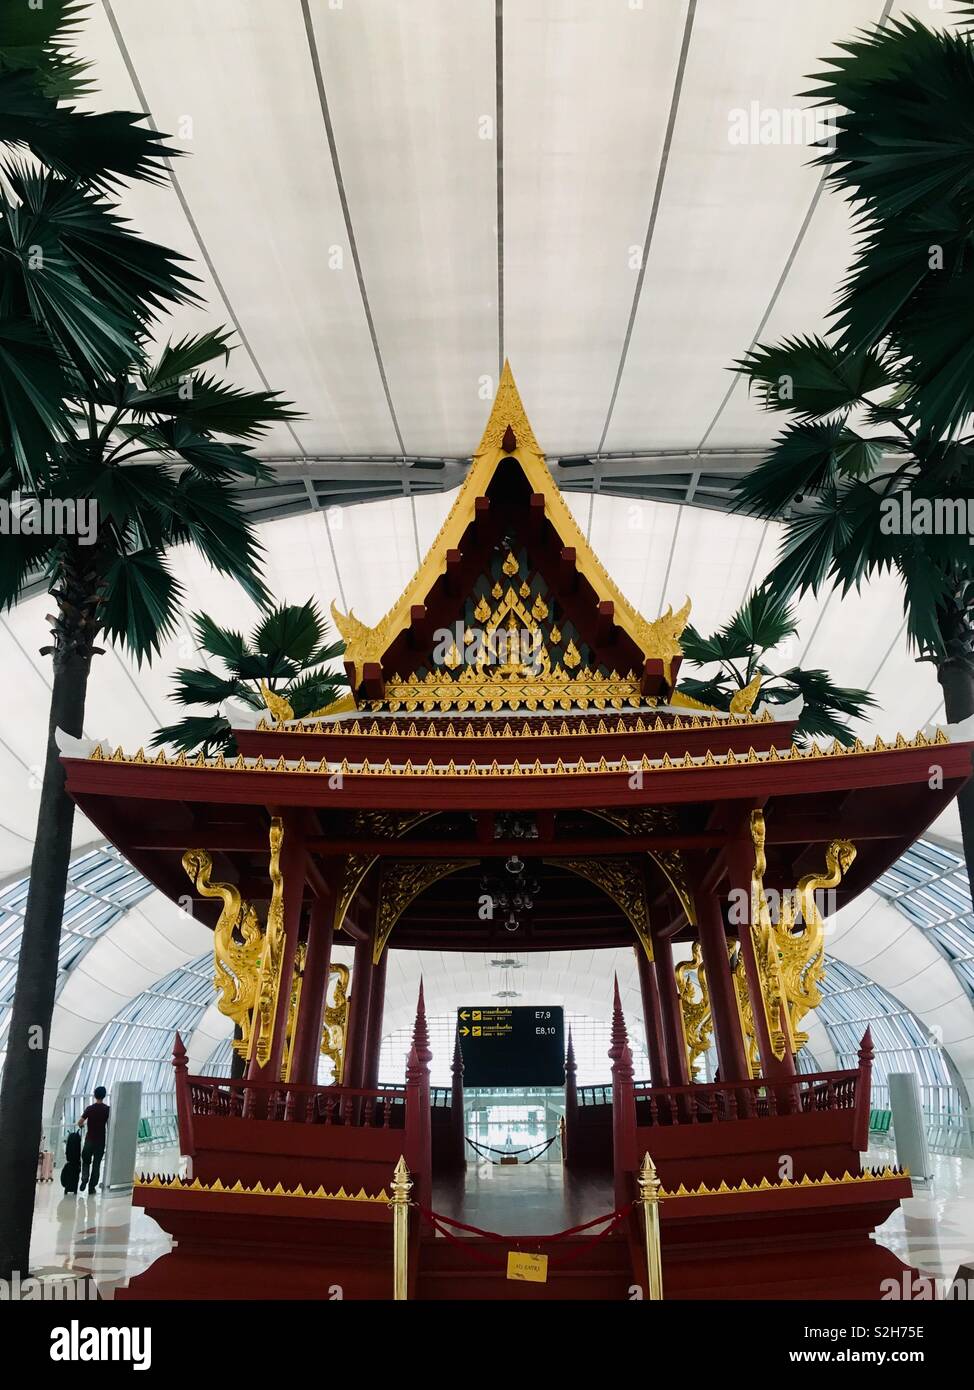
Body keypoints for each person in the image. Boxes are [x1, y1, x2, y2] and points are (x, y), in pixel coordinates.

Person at [77, 1087, 110, 1194]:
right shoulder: (107, 1109)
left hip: (89, 1139)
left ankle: (84, 1179)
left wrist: (82, 1126)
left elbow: (80, 1122)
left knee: (85, 1160)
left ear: (95, 1095)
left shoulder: (90, 1108)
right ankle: (92, 1187)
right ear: (104, 1095)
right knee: (96, 1164)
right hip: (100, 1141)